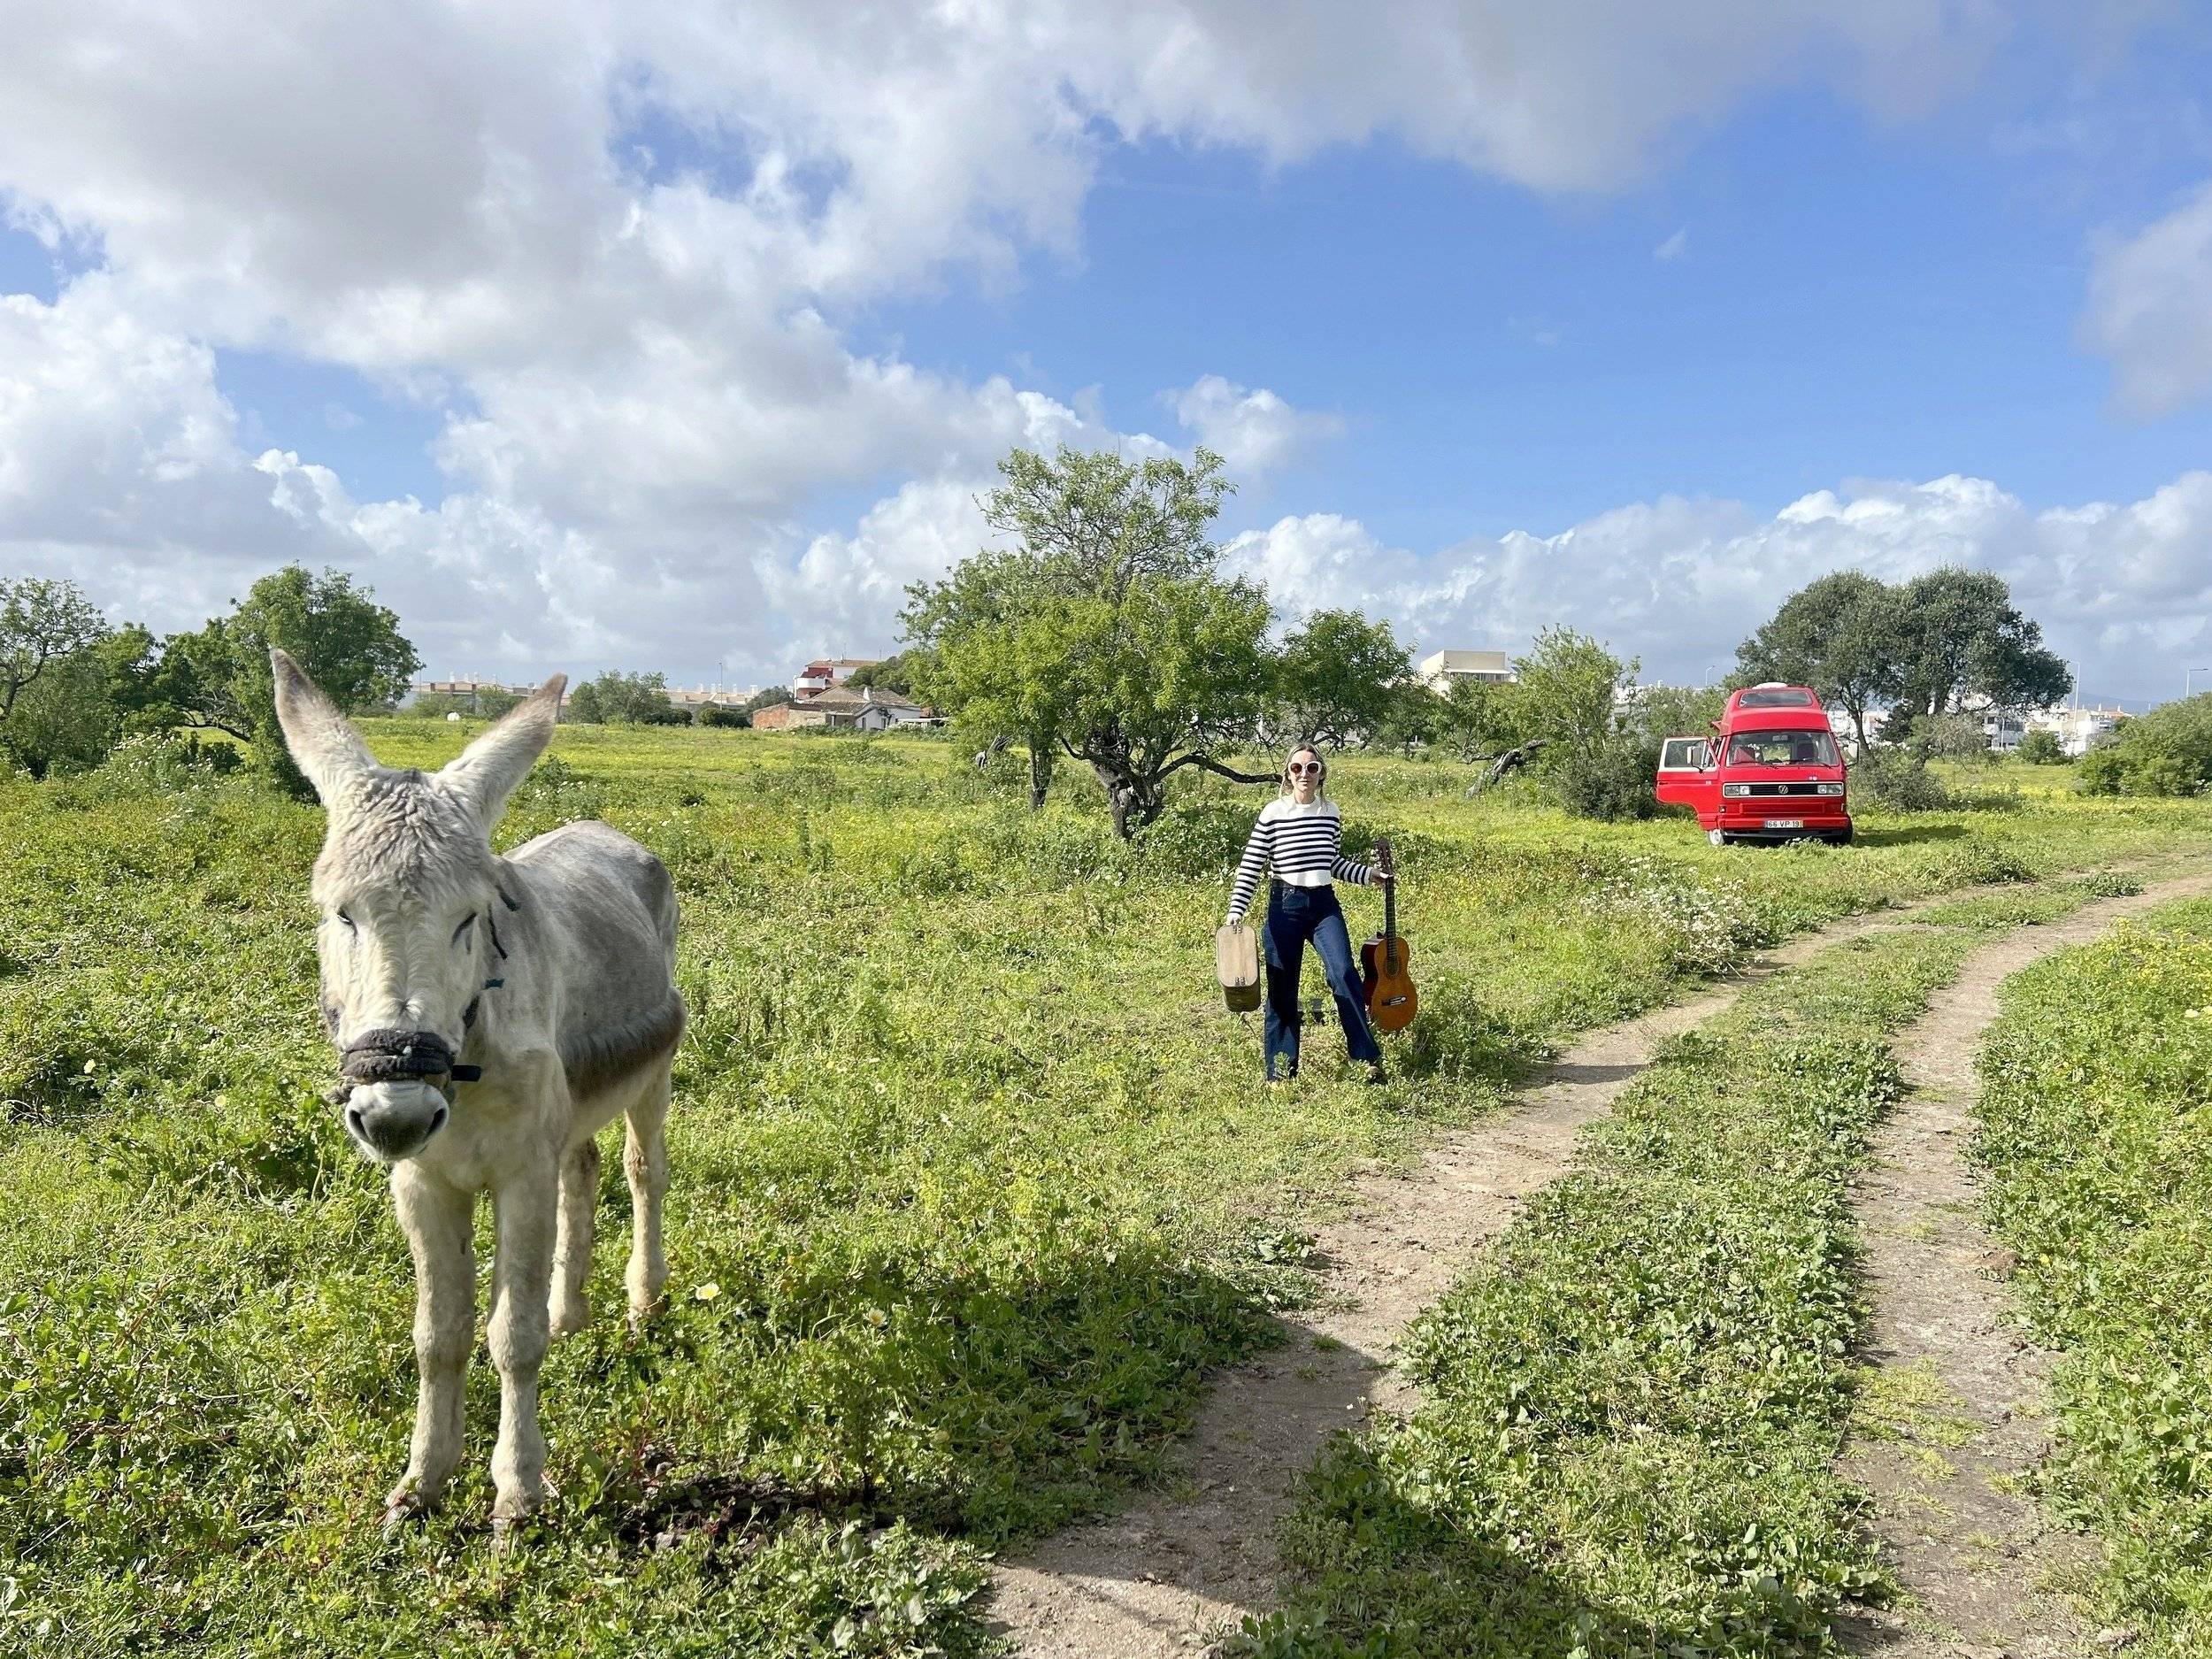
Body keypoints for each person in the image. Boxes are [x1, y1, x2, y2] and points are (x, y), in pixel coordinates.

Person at [1224, 744, 1391, 1084]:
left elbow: (1331, 862)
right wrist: (1236, 910)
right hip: (1284, 905)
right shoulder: (1273, 812)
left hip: (1323, 905)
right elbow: (1252, 864)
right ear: (1288, 774)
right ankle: (1281, 1074)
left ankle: (1366, 1061)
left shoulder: (1330, 812)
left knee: (1344, 973)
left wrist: (1367, 874)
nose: (1304, 774)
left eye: (1311, 768)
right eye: (1297, 768)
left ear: (1321, 773)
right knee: (1283, 988)